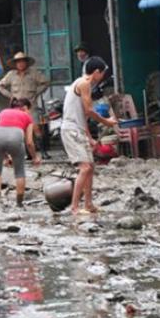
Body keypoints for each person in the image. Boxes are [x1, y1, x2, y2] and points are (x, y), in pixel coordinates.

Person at [60, 56, 117, 215]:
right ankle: (75, 207)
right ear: (97, 72)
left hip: (76, 129)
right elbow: (89, 111)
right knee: (84, 168)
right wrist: (106, 122)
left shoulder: (81, 82)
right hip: (71, 130)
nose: (102, 77)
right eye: (102, 74)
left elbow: (83, 116)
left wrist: (89, 137)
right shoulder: (84, 83)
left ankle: (89, 204)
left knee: (90, 167)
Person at [0, 52, 50, 157]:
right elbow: (0, 86)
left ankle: (43, 152)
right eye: (18, 62)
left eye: (22, 61)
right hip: (17, 107)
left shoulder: (33, 73)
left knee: (36, 128)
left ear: (26, 62)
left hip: (31, 105)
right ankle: (27, 154)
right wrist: (10, 95)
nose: (20, 64)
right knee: (21, 129)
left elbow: (46, 82)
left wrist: (36, 92)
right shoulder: (11, 75)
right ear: (15, 64)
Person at [0, 98, 40, 207]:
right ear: (25, 108)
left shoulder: (3, 112)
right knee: (19, 172)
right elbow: (30, 142)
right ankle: (19, 203)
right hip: (16, 139)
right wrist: (35, 158)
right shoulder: (27, 117)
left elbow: (2, 133)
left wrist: (6, 156)